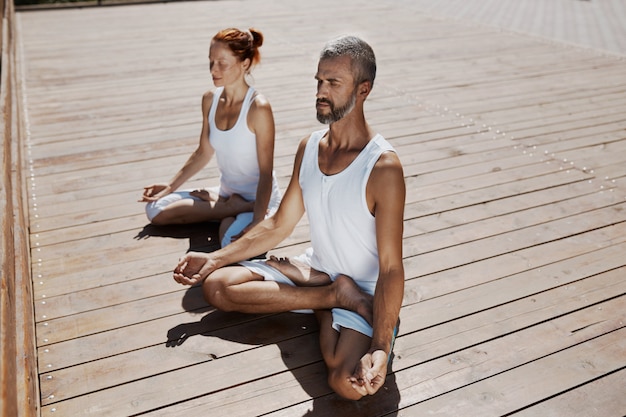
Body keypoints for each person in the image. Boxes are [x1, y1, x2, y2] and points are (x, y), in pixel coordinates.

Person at [173, 35, 405, 400]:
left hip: (366, 290)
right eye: (318, 81)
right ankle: (331, 296)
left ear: (363, 90)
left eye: (333, 83)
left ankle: (348, 309)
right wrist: (214, 258)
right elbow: (280, 224)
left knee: (348, 385)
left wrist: (379, 346)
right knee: (216, 285)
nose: (321, 92)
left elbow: (391, 268)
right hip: (319, 271)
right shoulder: (310, 147)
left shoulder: (383, 167)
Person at [139, 28, 282, 248]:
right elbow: (203, 151)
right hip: (227, 193)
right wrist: (170, 186)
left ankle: (228, 211)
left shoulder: (258, 108)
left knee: (229, 243)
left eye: (222, 63)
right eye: (211, 61)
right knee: (155, 208)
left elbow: (266, 173)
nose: (213, 69)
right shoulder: (210, 99)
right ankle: (230, 208)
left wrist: (257, 220)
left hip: (259, 201)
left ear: (244, 63)